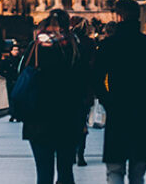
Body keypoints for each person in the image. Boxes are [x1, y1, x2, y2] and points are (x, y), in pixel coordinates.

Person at [93, 0, 146, 184]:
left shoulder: (107, 46)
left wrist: (108, 100)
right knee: (138, 175)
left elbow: (95, 80)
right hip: (143, 113)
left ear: (118, 17)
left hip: (117, 112)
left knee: (115, 171)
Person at [21, 9, 88, 184]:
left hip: (38, 119)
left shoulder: (34, 48)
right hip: (68, 119)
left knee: (43, 175)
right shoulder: (74, 48)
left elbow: (21, 76)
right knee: (66, 172)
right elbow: (84, 84)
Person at [70, 16, 96, 166]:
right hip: (85, 88)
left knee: (69, 121)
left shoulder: (66, 42)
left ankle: (71, 151)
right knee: (82, 121)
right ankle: (81, 153)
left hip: (68, 90)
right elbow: (94, 66)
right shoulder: (90, 43)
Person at [0, 42, 22, 122]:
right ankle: (13, 114)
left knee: (18, 98)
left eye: (17, 50)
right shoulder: (6, 60)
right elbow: (0, 70)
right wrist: (7, 76)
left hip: (18, 81)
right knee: (11, 97)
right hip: (10, 80)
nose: (16, 51)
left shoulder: (21, 60)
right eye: (14, 50)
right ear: (11, 51)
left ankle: (17, 114)